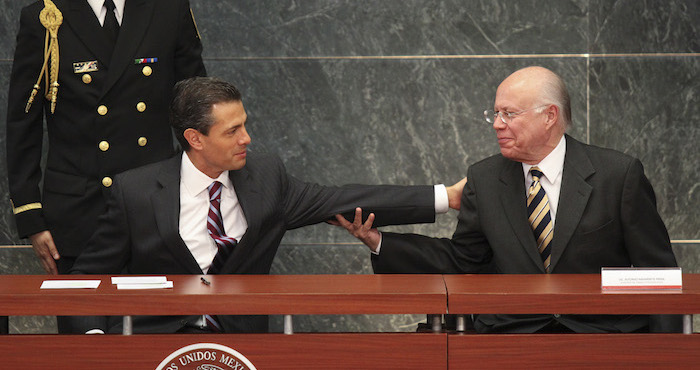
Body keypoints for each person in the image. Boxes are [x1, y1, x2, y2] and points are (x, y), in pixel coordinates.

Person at [69, 76, 465, 334]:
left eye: (245, 124)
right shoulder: (136, 191)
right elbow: (86, 274)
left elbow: (342, 198)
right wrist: (95, 339)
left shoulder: (266, 179)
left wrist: (444, 197)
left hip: (245, 347)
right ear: (195, 138)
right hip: (156, 347)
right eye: (233, 130)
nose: (247, 138)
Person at [334, 66, 681, 333]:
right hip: (513, 333)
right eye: (495, 114)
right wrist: (379, 241)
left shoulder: (618, 175)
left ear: (549, 116)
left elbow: (660, 273)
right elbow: (464, 261)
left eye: (509, 114)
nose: (498, 124)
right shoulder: (485, 179)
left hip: (601, 334)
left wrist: (669, 352)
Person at [6, 0, 206, 279]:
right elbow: (22, 125)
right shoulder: (45, 18)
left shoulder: (168, 9)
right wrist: (31, 218)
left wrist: (202, 199)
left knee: (155, 319)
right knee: (85, 320)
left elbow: (197, 112)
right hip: (78, 214)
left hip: (157, 210)